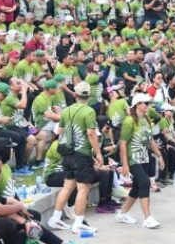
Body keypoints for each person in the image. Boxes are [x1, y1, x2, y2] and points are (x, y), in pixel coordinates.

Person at [46, 82, 99, 237]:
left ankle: (55, 218)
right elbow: (91, 133)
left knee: (68, 187)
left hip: (67, 154)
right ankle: (79, 223)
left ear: (75, 95)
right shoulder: (89, 111)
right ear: (89, 96)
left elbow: (59, 130)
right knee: (83, 189)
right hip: (81, 154)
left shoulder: (66, 110)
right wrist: (98, 153)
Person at [114, 92, 163, 229]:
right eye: (145, 103)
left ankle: (122, 213)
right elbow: (123, 143)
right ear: (137, 105)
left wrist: (159, 155)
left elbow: (150, 139)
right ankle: (148, 218)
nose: (148, 106)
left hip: (144, 158)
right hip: (133, 159)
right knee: (145, 183)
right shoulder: (129, 121)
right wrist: (125, 165)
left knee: (136, 188)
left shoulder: (146, 119)